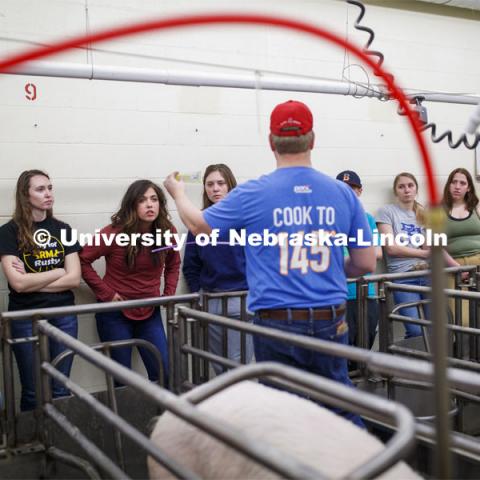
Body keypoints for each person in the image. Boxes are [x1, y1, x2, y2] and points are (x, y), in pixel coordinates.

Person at [164, 100, 376, 428]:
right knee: (339, 406)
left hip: (277, 320)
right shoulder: (343, 194)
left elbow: (197, 225)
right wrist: (332, 272)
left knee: (280, 412)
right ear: (313, 139)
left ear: (271, 142)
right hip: (330, 318)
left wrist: (177, 192)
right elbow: (365, 262)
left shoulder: (254, 193)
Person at [80, 180, 180, 385]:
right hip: (115, 313)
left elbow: (173, 264)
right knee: (122, 379)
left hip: (149, 310)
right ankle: (125, 418)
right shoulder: (114, 232)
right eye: (142, 200)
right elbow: (82, 260)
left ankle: (162, 417)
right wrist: (107, 293)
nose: (150, 205)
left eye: (154, 199)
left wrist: (168, 295)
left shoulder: (167, 231)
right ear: (132, 205)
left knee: (164, 372)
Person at [0, 170, 81, 411]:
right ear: (25, 195)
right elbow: (18, 284)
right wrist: (58, 272)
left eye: (50, 188)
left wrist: (34, 279)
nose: (48, 194)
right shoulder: (8, 232)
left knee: (60, 388)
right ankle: (33, 443)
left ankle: (59, 440)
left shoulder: (63, 229)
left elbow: (75, 278)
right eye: (40, 189)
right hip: (25, 316)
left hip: (63, 316)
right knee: (33, 390)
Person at [182, 164, 253, 374]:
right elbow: (191, 265)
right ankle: (228, 405)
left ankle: (239, 405)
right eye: (210, 184)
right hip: (211, 299)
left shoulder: (245, 219)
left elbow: (262, 259)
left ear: (230, 186)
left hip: (241, 298)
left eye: (221, 183)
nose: (215, 189)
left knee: (237, 365)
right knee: (218, 363)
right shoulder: (199, 222)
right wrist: (199, 294)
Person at [336, 170, 381, 351]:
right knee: (340, 349)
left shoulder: (367, 219)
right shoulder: (329, 218)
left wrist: (348, 256)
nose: (347, 192)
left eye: (352, 188)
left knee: (364, 345)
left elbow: (376, 253)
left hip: (365, 292)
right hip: (339, 295)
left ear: (360, 191)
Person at [442, 168, 480, 326]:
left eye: (462, 183)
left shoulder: (477, 206)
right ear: (448, 185)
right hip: (453, 268)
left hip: (478, 263)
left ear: (469, 187)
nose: (457, 186)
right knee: (462, 321)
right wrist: (458, 268)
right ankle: (465, 351)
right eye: (454, 182)